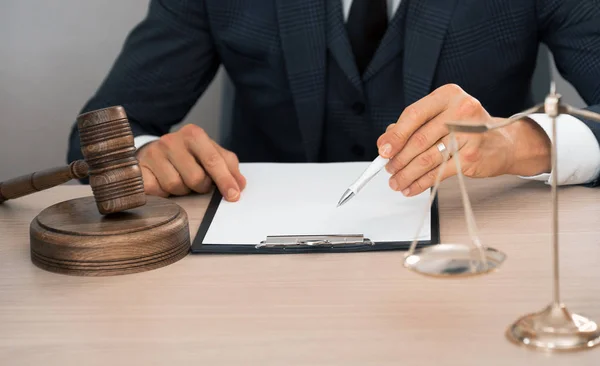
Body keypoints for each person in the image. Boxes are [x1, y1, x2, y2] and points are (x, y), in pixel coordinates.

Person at [67, 0, 600, 201]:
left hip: (478, 265)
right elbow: (101, 135)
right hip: (259, 287)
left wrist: (523, 144)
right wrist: (146, 154)